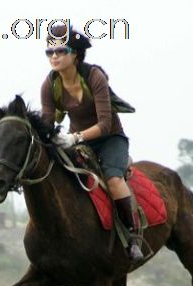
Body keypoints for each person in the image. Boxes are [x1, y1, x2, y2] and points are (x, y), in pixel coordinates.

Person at [40, 24, 143, 263]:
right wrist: (48, 136)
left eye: (60, 51)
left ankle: (133, 237)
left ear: (75, 54)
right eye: (49, 52)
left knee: (114, 180)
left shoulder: (94, 76)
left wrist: (75, 137)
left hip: (110, 140)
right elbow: (46, 123)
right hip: (78, 142)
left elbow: (105, 125)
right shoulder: (50, 84)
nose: (53, 56)